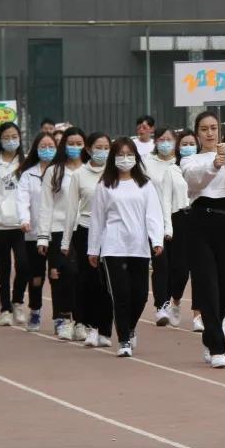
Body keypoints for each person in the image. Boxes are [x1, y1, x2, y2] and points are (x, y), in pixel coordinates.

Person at [88, 137, 165, 357]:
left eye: (129, 154)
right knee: (120, 295)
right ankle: (124, 340)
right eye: (120, 155)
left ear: (136, 157)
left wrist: (156, 240)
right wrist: (93, 249)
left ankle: (130, 327)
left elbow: (153, 214)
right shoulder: (105, 184)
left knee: (140, 295)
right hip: (113, 247)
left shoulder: (145, 184)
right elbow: (97, 218)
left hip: (138, 247)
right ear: (113, 158)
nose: (125, 159)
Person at [181, 111, 225, 369]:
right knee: (207, 284)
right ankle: (218, 347)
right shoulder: (190, 160)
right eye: (204, 129)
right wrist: (214, 165)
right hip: (199, 223)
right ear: (197, 133)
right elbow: (195, 181)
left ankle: (210, 336)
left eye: (213, 128)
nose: (209, 133)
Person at [63, 132, 112, 347]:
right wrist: (66, 241)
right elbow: (71, 210)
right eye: (98, 148)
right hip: (85, 231)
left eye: (106, 148)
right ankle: (91, 327)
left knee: (108, 283)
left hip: (111, 232)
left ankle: (106, 330)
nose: (103, 152)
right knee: (90, 281)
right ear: (89, 149)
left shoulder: (115, 172)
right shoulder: (79, 175)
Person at [37, 126, 86, 339]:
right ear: (64, 145)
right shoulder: (54, 171)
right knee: (64, 274)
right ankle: (64, 318)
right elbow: (46, 205)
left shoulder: (91, 170)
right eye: (71, 143)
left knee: (82, 275)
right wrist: (43, 236)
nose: (75, 147)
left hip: (84, 228)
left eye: (79, 144)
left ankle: (81, 320)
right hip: (59, 229)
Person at [0, 121, 30, 326]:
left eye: (14, 137)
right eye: (6, 137)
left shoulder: (26, 162)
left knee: (24, 265)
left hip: (22, 224)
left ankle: (17, 301)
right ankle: (5, 309)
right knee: (4, 268)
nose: (11, 141)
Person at [143, 126, 187, 328]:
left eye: (169, 139)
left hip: (179, 219)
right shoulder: (147, 163)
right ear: (155, 142)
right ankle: (161, 305)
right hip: (156, 219)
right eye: (161, 139)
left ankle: (175, 299)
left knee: (180, 268)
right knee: (161, 264)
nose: (165, 143)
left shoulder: (182, 163)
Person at [17, 131, 56, 332]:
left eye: (51, 146)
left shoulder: (61, 172)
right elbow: (22, 200)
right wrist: (24, 220)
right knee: (36, 275)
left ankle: (62, 316)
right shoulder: (28, 174)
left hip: (57, 232)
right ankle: (35, 309)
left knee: (57, 274)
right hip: (33, 233)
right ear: (36, 149)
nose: (47, 150)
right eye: (43, 147)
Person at [166, 129, 199, 330]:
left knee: (200, 269)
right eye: (184, 144)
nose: (188, 147)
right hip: (179, 219)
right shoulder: (172, 170)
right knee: (181, 270)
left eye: (191, 143)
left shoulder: (204, 166)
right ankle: (176, 300)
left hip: (200, 218)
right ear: (178, 147)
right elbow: (166, 199)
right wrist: (167, 226)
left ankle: (198, 314)